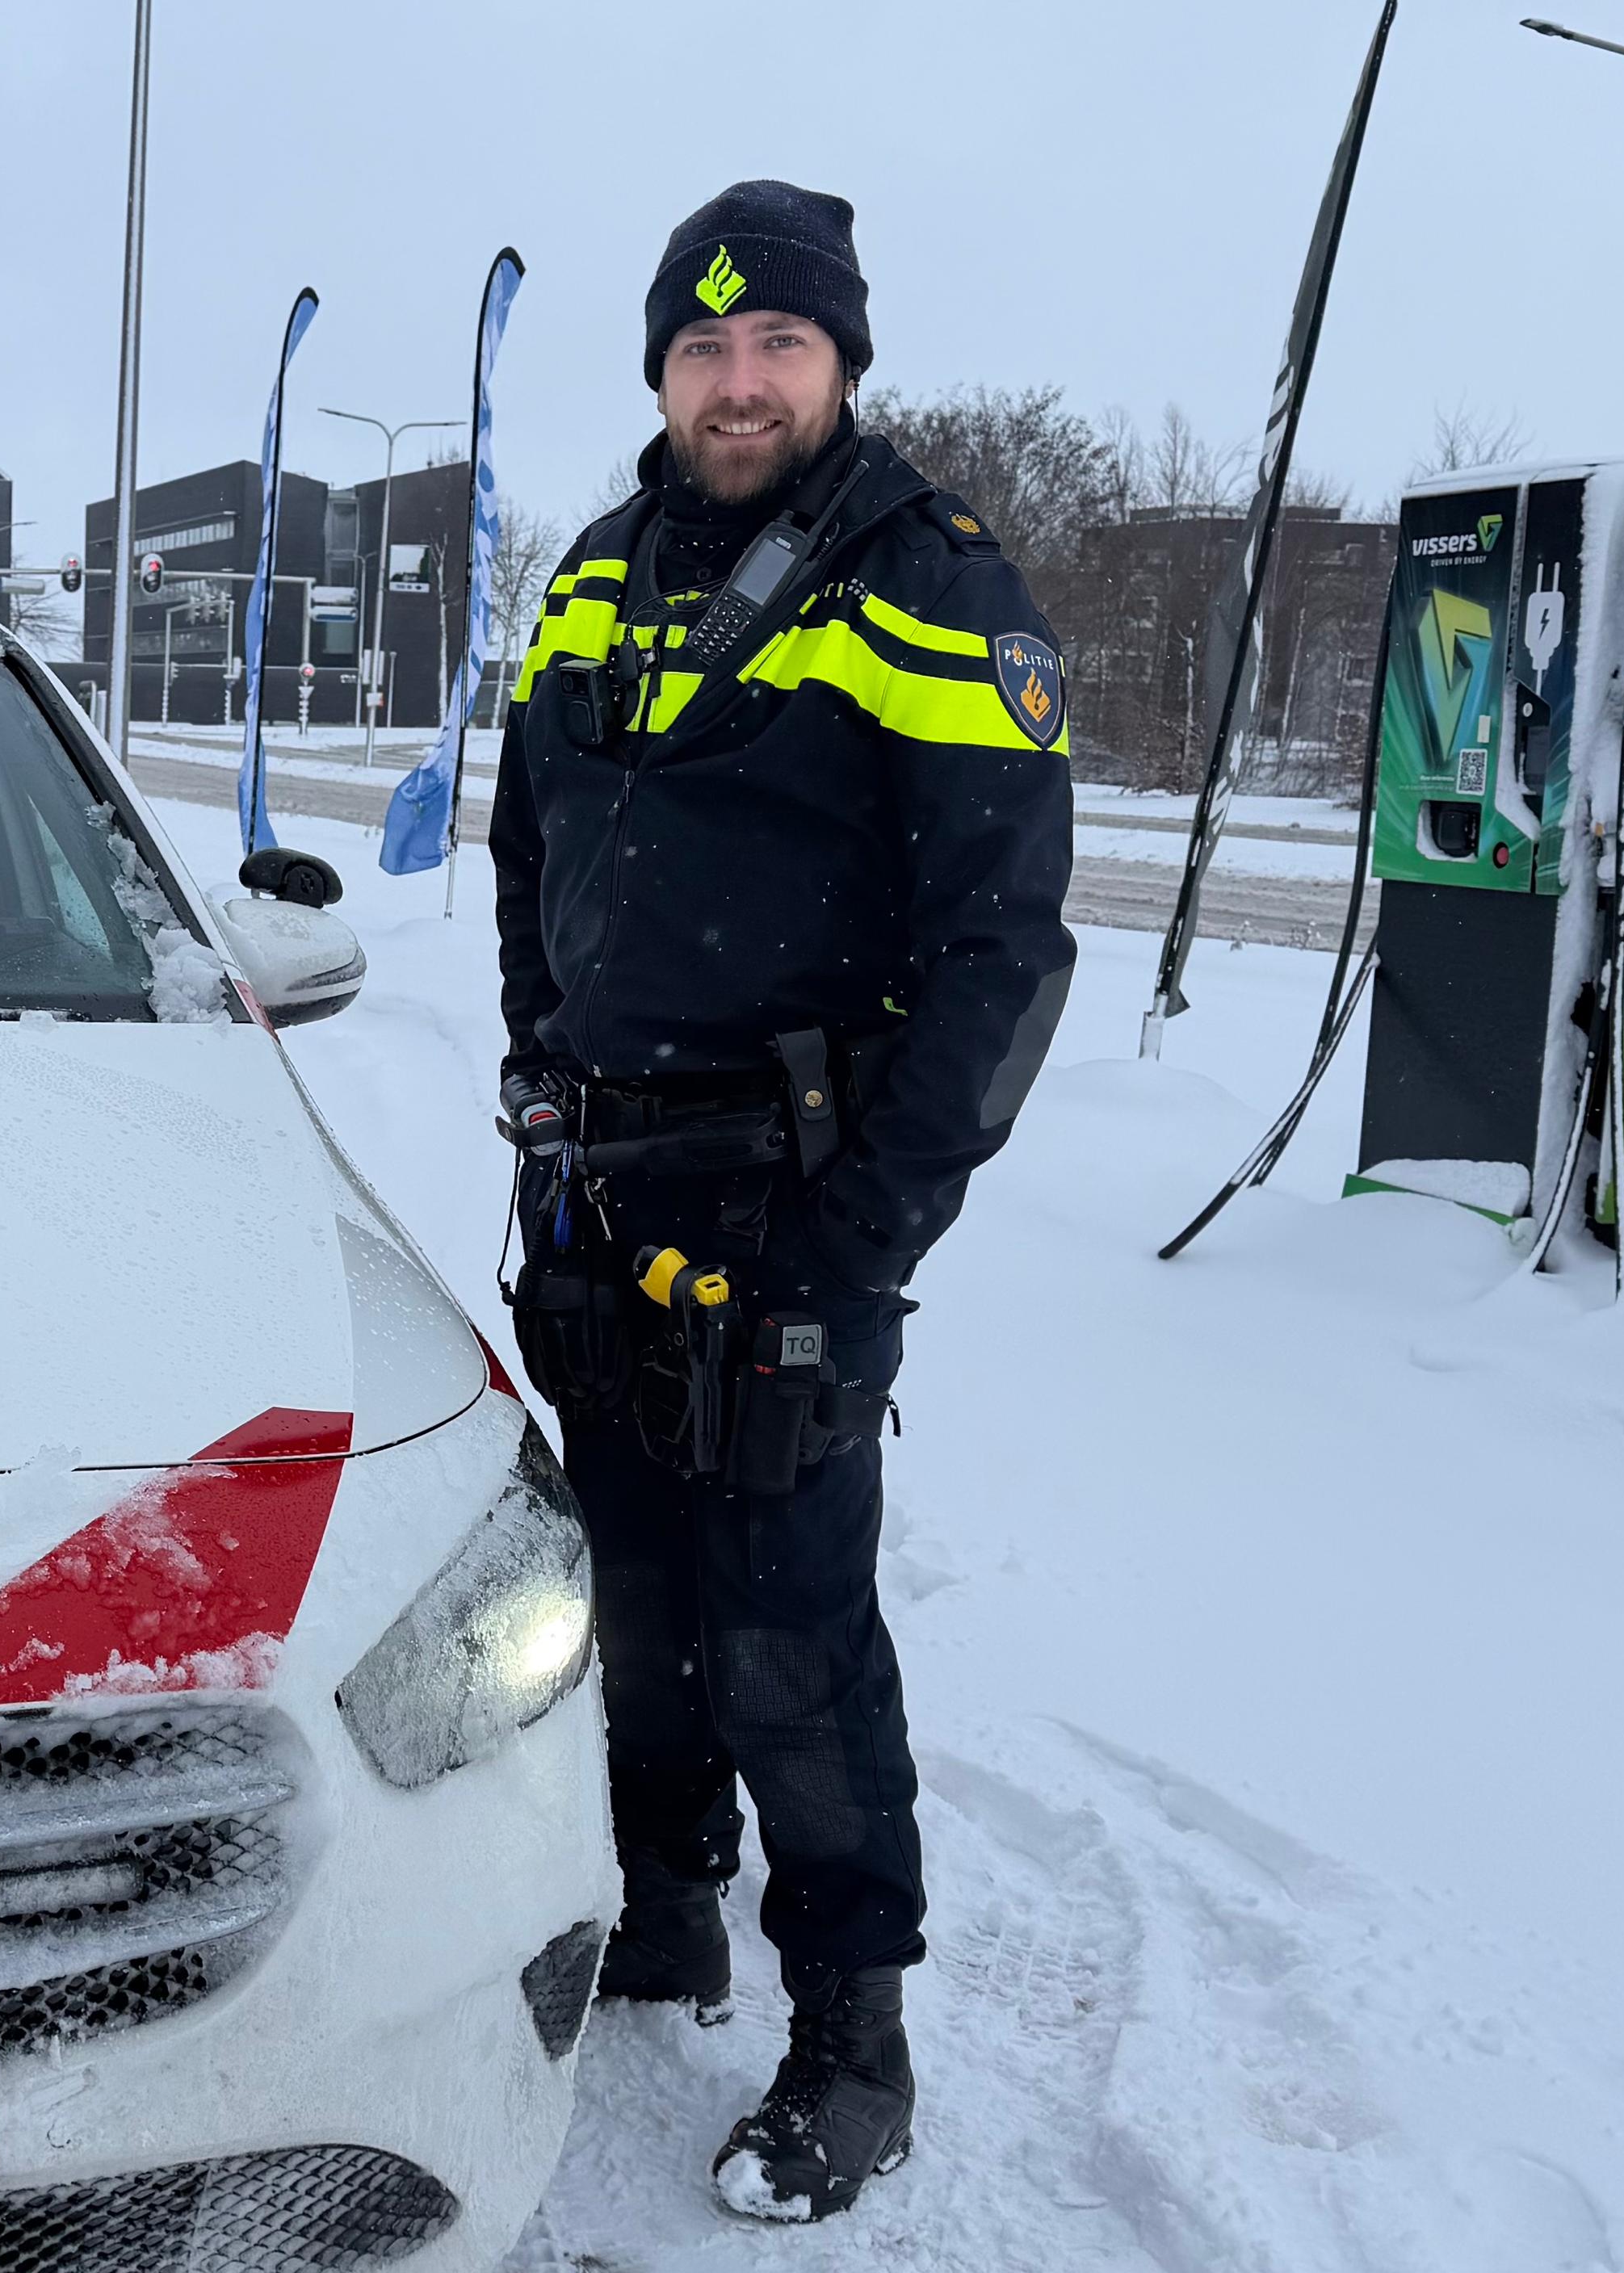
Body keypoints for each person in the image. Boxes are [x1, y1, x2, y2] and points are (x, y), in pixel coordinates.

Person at [489, 178, 1075, 2225]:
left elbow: (1005, 957)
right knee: (627, 1599)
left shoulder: (927, 581)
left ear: (840, 362)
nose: (739, 384)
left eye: (779, 349)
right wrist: (537, 1067)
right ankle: (666, 1908)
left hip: (792, 1209)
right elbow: (526, 848)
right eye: (704, 349)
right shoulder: (594, 566)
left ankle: (853, 2027)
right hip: (600, 1193)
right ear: (660, 365)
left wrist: (866, 1230)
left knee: (789, 1640)